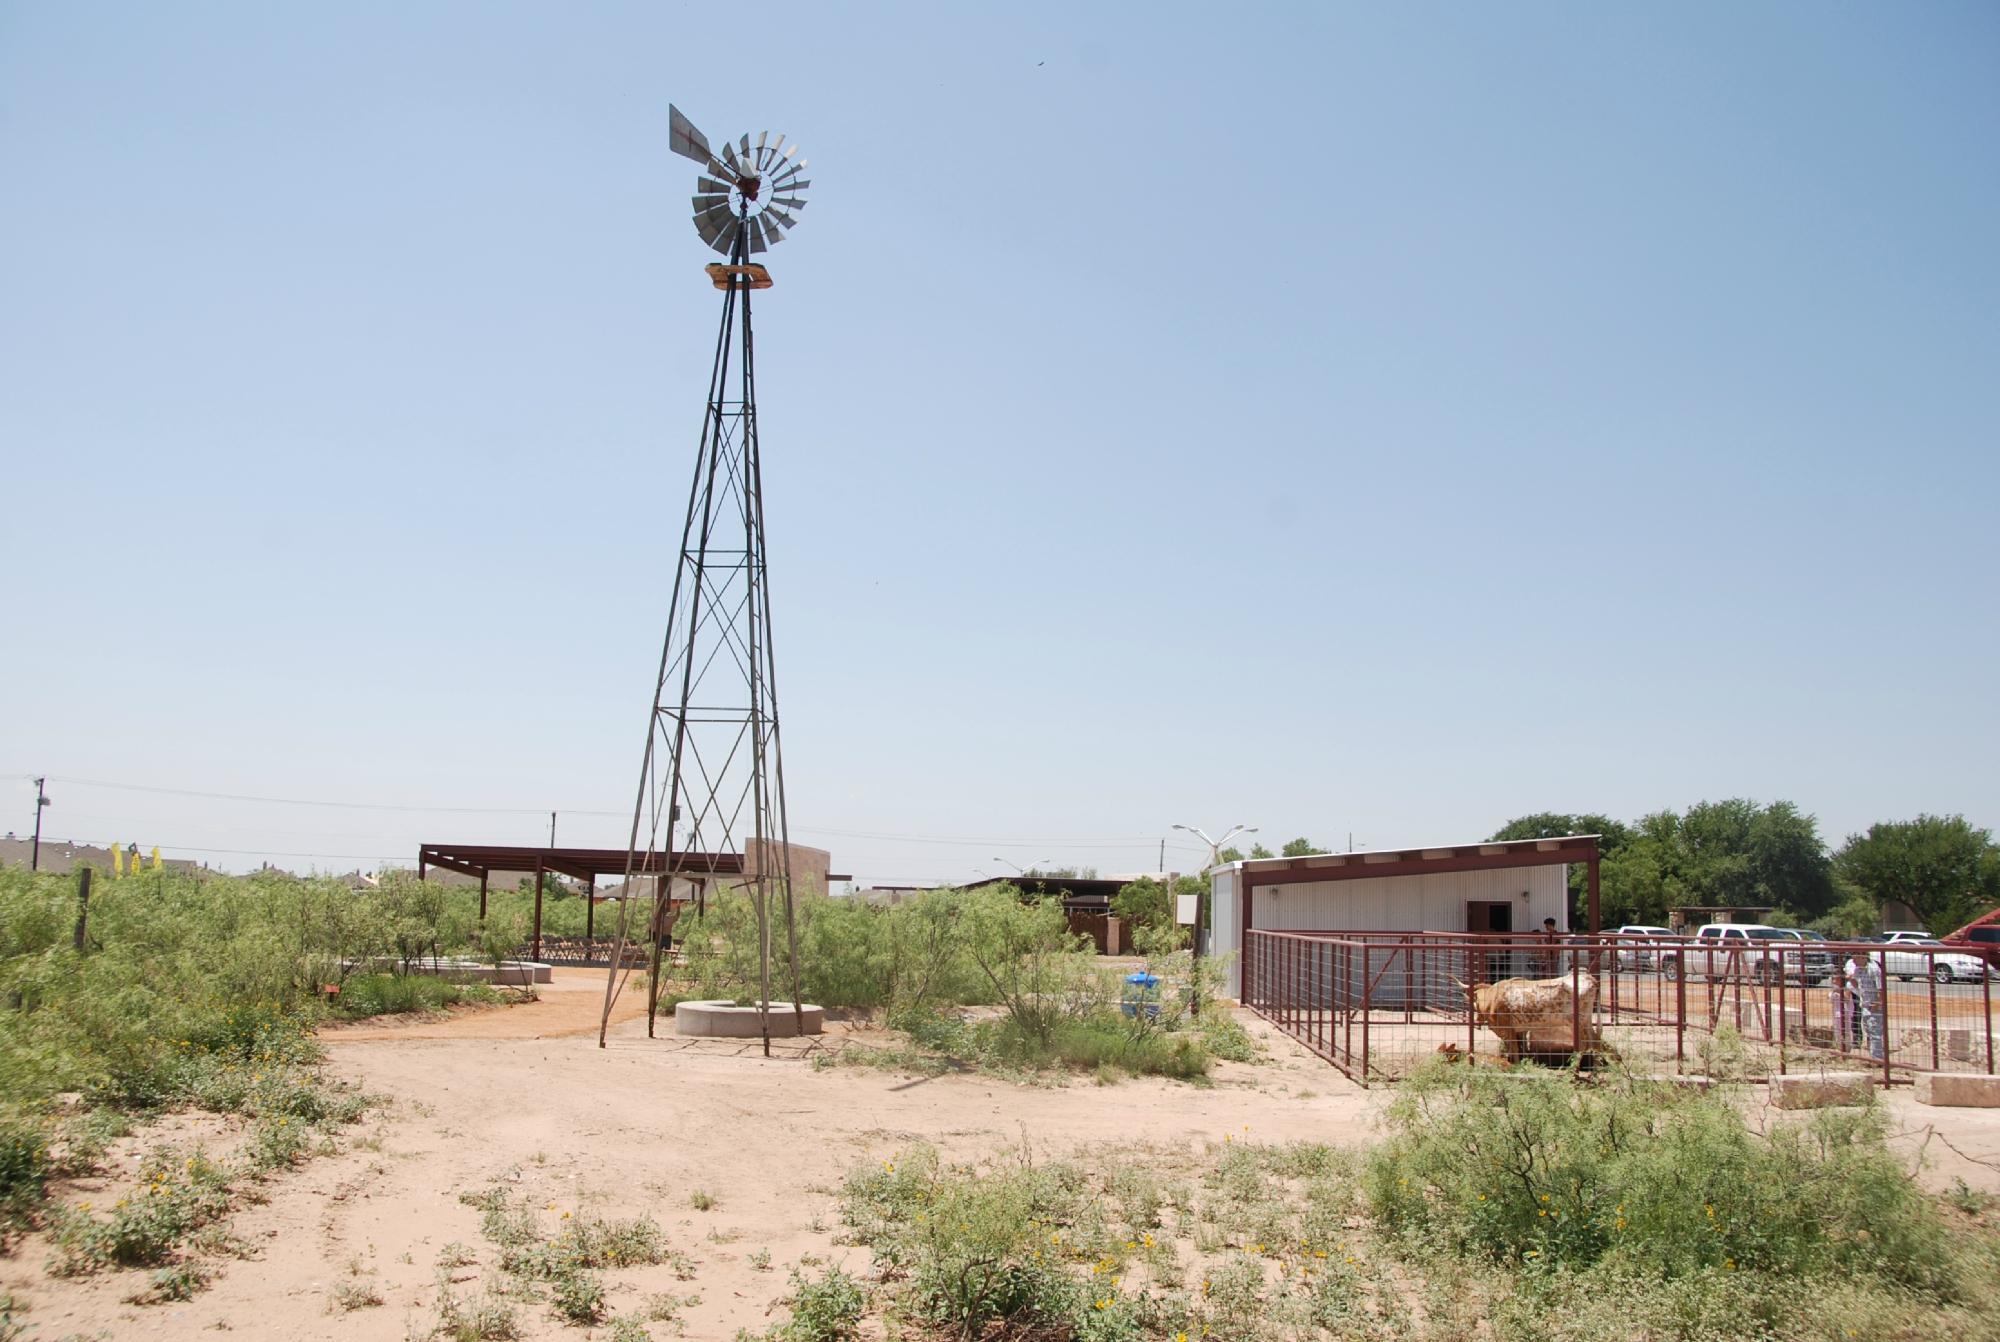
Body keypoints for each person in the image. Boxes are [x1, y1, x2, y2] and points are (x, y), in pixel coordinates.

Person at [1849, 950, 1885, 1061]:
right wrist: (1851, 979)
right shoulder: (1858, 970)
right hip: (1864, 1004)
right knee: (1869, 1031)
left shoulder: (1874, 970)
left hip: (1873, 1006)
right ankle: (1874, 1056)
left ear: (1863, 957)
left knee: (1875, 1032)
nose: (1853, 960)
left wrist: (1877, 1003)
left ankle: (1877, 1058)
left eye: (1856, 958)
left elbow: (1881, 989)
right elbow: (1857, 985)